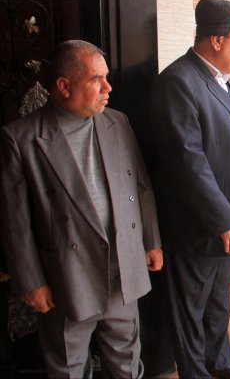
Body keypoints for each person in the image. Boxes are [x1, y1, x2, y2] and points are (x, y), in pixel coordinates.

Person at [0, 40, 163, 378]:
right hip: (65, 278)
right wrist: (31, 281)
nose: (108, 88)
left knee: (127, 361)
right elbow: (15, 221)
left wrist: (151, 240)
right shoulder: (21, 138)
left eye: (106, 78)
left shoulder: (117, 122)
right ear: (64, 86)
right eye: (96, 79)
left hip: (121, 268)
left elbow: (140, 185)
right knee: (68, 367)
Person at [143, 0, 230, 379]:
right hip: (196, 225)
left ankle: (219, 364)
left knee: (217, 304)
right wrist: (224, 217)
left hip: (221, 226)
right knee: (190, 311)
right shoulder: (179, 82)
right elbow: (187, 162)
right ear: (216, 40)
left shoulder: (218, 79)